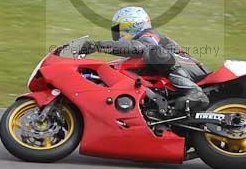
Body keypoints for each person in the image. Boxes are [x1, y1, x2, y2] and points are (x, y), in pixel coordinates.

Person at [81, 6, 209, 110]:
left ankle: (195, 93)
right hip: (184, 70)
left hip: (192, 70)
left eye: (120, 29)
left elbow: (138, 47)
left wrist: (97, 46)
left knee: (154, 52)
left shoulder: (148, 35)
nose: (119, 34)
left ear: (133, 25)